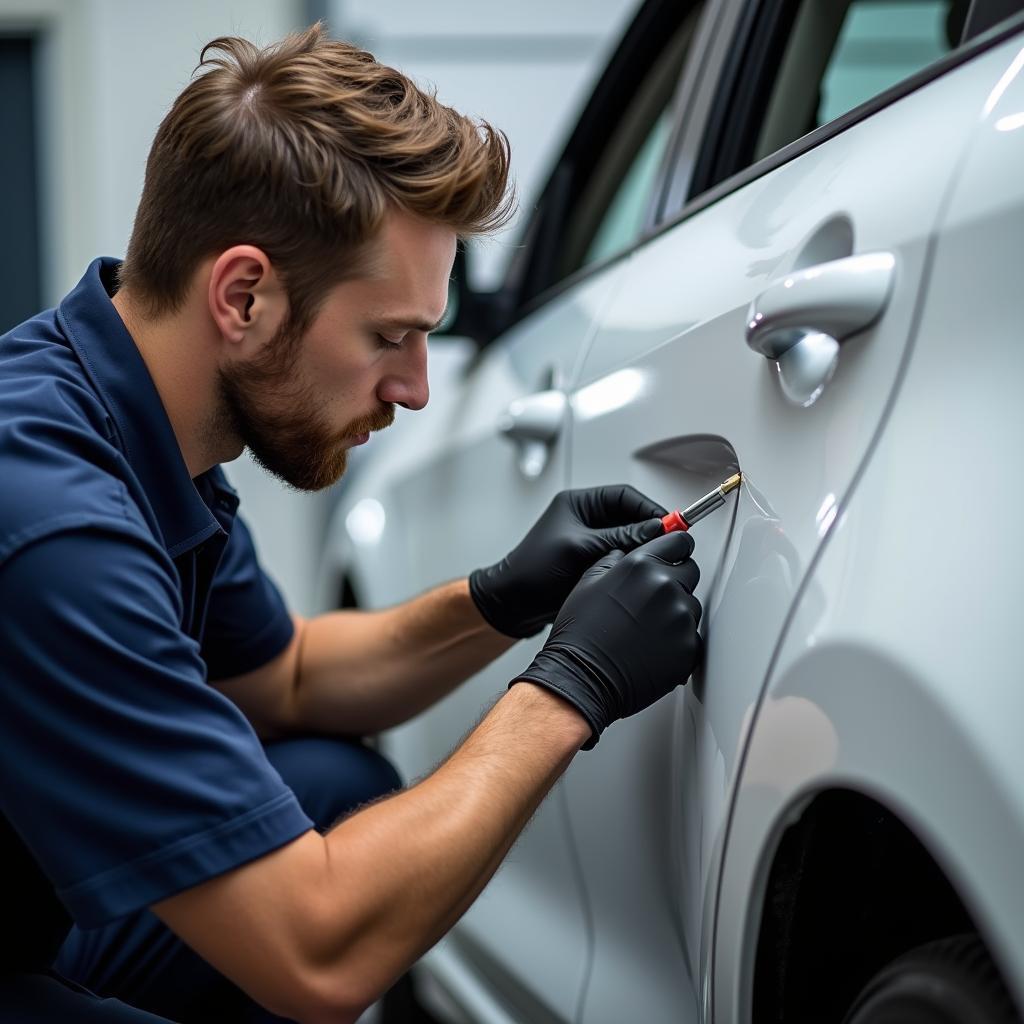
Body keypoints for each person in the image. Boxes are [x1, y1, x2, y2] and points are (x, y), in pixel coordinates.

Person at [0, 23, 702, 1023]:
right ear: (244, 295)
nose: (416, 390)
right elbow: (313, 955)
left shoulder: (141, 429)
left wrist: (500, 601)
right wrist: (567, 689)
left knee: (333, 780)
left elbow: (284, 679)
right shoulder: (54, 525)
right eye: (391, 337)